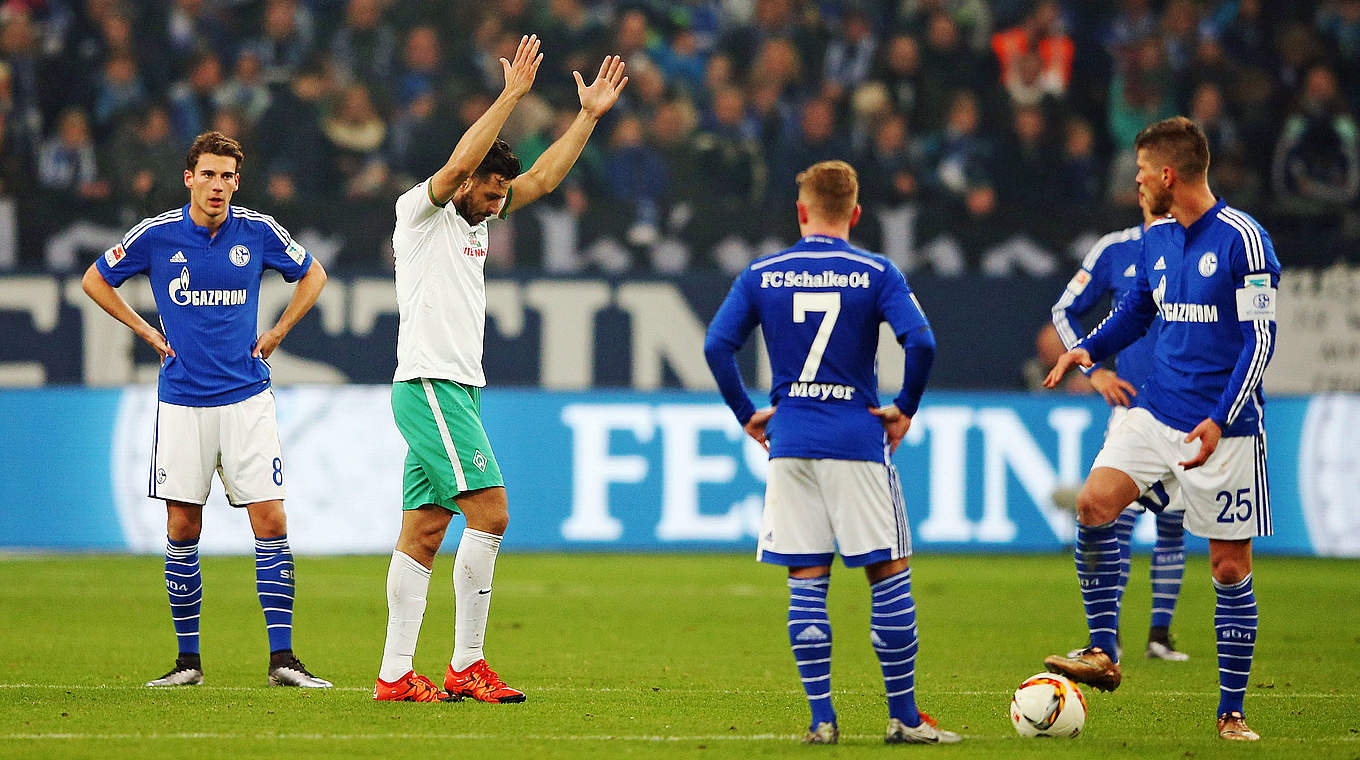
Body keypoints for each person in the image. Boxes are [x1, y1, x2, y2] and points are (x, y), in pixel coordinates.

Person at [373, 35, 628, 703]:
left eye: (497, 196)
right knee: (492, 513)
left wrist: (589, 117)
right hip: (431, 386)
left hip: (456, 389)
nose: (496, 204)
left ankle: (395, 676)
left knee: (425, 531)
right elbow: (461, 160)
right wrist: (512, 95)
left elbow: (541, 178)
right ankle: (466, 665)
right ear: (464, 182)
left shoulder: (478, 220)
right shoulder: (420, 215)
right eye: (488, 192)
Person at [703, 160, 959, 746]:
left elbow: (718, 346)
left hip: (790, 442)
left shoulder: (763, 272)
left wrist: (749, 415)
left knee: (807, 582)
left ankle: (822, 720)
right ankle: (905, 719)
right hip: (856, 440)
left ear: (801, 211)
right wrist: (906, 406)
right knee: (888, 576)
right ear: (856, 213)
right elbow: (921, 341)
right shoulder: (876, 270)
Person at [1041, 117, 1280, 742]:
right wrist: (1084, 353)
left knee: (1229, 568)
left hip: (1223, 429)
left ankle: (1231, 712)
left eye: (1142, 171)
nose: (1137, 181)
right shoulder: (1156, 241)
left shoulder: (1244, 241)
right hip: (1154, 411)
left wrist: (1221, 418)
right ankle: (1102, 650)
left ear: (1168, 175)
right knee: (1094, 505)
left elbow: (1261, 338)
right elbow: (1135, 313)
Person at [81, 131, 331, 688]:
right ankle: (188, 663)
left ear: (237, 182)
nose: (218, 186)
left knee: (270, 520)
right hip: (183, 401)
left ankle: (283, 660)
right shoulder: (157, 235)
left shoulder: (258, 232)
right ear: (189, 178)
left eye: (228, 176)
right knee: (183, 526)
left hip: (247, 397)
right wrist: (146, 329)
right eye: (209, 174)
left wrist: (280, 331)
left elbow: (313, 273)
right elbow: (95, 279)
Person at [1050, 193, 1190, 663]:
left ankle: (1159, 635)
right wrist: (1095, 371)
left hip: (1190, 407)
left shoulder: (1201, 244)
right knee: (1113, 516)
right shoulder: (1114, 250)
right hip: (1133, 410)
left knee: (1174, 525)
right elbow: (1063, 309)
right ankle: (1107, 639)